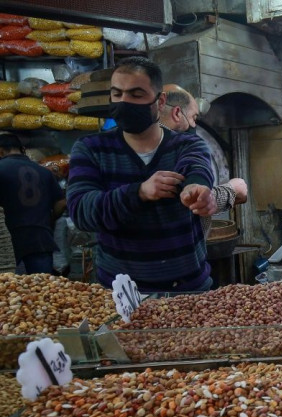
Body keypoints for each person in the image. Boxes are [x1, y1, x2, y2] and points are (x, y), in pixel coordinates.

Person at [67, 57, 216, 292]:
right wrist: (139, 192)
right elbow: (82, 211)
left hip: (188, 289)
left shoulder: (187, 145)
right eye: (117, 94)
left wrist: (196, 188)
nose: (124, 102)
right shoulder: (91, 149)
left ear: (160, 101)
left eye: (136, 95)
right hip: (122, 295)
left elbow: (196, 168)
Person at [159, 84, 248, 237]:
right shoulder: (177, 146)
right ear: (177, 113)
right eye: (194, 118)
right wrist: (232, 190)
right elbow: (188, 201)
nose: (194, 125)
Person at [0, 132, 66, 274]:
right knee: (41, 290)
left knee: (11, 291)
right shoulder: (45, 172)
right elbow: (61, 204)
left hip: (10, 244)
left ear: (0, 150)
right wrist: (50, 219)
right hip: (41, 240)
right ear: (22, 149)